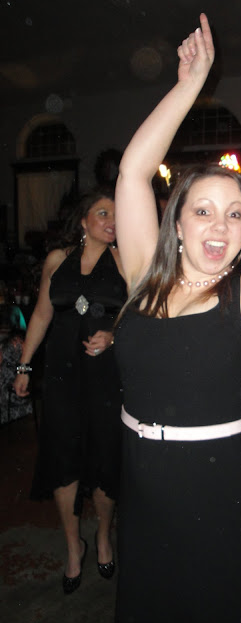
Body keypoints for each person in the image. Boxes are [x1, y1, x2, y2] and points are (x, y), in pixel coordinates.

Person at [113, 13, 241, 623]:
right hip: (141, 493)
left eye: (235, 213)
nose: (220, 225)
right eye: (202, 210)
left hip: (223, 498)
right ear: (176, 222)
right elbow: (133, 172)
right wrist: (189, 85)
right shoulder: (143, 277)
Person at [13, 188, 127, 594]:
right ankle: (73, 547)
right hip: (62, 378)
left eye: (117, 214)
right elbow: (42, 314)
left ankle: (103, 536)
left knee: (105, 459)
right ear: (83, 220)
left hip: (106, 377)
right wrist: (25, 365)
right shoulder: (57, 260)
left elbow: (141, 315)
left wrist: (113, 335)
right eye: (103, 213)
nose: (112, 221)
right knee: (64, 460)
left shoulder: (124, 259)